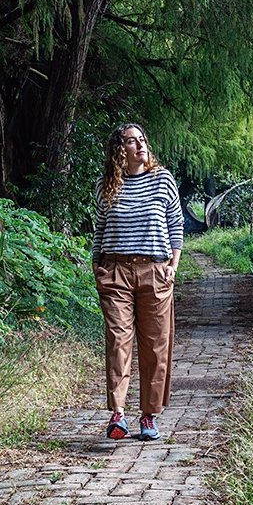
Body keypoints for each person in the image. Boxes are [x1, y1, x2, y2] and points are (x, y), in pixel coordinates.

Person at [91, 123, 183, 441]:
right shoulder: (108, 186)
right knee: (118, 341)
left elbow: (176, 224)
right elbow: (99, 231)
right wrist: (97, 268)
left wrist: (173, 266)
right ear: (120, 149)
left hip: (154, 272)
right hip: (115, 271)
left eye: (143, 139)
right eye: (132, 141)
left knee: (155, 346)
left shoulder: (162, 180)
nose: (140, 145)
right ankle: (118, 414)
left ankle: (148, 416)